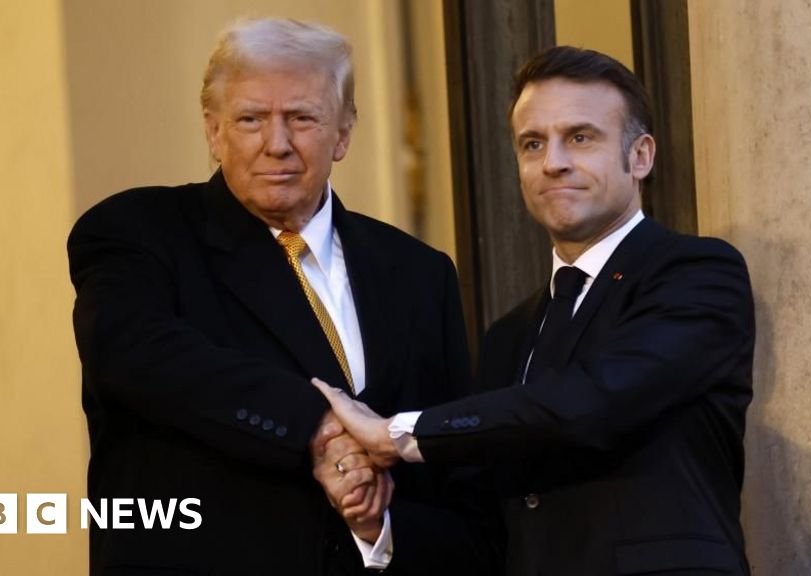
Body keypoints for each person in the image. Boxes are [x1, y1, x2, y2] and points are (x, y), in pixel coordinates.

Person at [68, 18, 495, 576]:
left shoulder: (418, 273)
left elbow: (456, 486)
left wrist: (381, 530)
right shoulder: (140, 232)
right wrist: (318, 427)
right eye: (251, 119)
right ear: (213, 131)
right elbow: (134, 355)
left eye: (302, 118)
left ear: (343, 133)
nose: (277, 144)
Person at [315, 46, 756, 576]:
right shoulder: (509, 336)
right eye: (533, 144)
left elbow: (593, 402)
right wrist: (377, 525)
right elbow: (487, 532)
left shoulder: (696, 273)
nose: (553, 162)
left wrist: (398, 434)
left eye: (580, 137)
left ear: (640, 156)